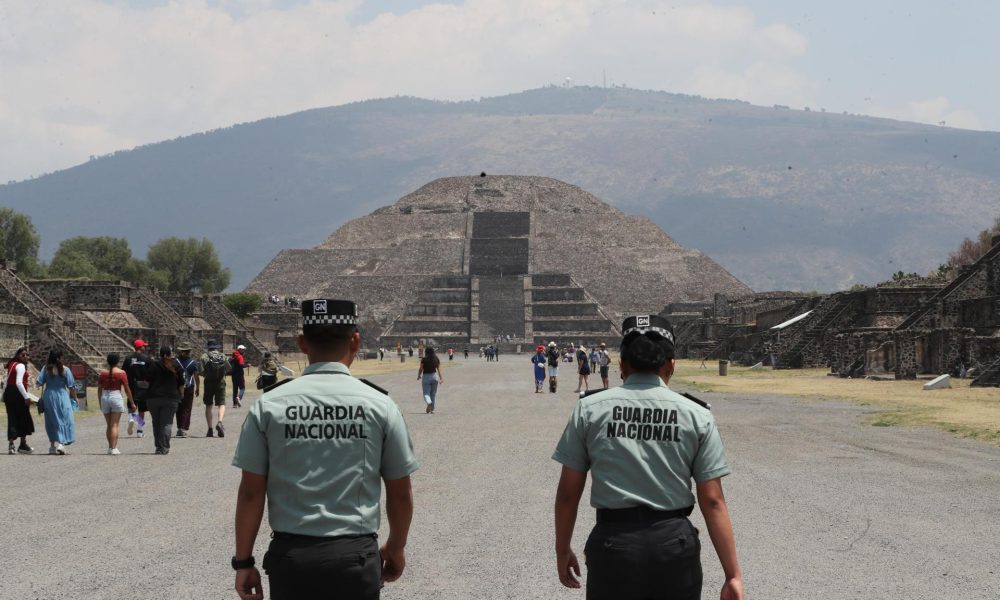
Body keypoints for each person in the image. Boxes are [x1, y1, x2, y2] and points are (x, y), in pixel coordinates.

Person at [232, 298, 418, 600]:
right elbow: (400, 491)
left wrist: (243, 562)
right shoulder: (380, 406)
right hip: (355, 558)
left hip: (291, 559)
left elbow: (251, 492)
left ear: (302, 343)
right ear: (355, 340)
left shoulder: (269, 405)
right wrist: (395, 547)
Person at [552, 314, 743, 600]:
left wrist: (562, 549)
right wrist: (733, 575)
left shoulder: (590, 409)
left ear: (621, 365)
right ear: (671, 364)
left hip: (613, 545)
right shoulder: (697, 414)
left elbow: (568, 493)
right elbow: (713, 500)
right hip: (674, 545)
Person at [36, 349, 77, 455]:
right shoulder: (65, 369)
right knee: (63, 418)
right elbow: (71, 386)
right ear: (59, 358)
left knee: (51, 420)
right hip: (62, 395)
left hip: (49, 395)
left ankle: (52, 446)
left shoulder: (46, 369)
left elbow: (39, 382)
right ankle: (61, 443)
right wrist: (75, 398)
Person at [145, 346, 184, 455]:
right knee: (166, 423)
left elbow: (147, 380)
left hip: (153, 398)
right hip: (170, 398)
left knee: (156, 423)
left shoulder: (154, 365)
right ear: (169, 354)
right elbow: (181, 383)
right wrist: (182, 395)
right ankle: (165, 447)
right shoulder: (176, 365)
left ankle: (158, 447)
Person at [98, 353, 135, 455]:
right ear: (118, 361)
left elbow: (99, 389)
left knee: (109, 425)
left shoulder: (103, 373)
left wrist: (99, 401)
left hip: (105, 396)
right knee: (114, 425)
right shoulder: (121, 373)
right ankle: (114, 448)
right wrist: (132, 402)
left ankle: (110, 447)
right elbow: (127, 389)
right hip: (116, 396)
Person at [4, 346, 35, 454]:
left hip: (9, 393)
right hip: (18, 394)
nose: (26, 356)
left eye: (27, 355)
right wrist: (26, 396)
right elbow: (18, 382)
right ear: (18, 356)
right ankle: (22, 444)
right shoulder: (21, 365)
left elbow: (7, 381)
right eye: (23, 355)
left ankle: (11, 445)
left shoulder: (11, 365)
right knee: (23, 417)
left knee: (12, 418)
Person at [200, 339, 232, 438]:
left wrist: (207, 375)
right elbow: (229, 368)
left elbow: (200, 371)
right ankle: (220, 422)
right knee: (221, 404)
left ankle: (210, 429)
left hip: (209, 382)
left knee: (209, 405)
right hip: (220, 382)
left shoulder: (204, 356)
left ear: (208, 347)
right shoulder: (222, 356)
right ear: (216, 347)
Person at [122, 339, 151, 438]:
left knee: (131, 407)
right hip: (143, 386)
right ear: (140, 347)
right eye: (144, 346)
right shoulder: (147, 359)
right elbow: (151, 373)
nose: (145, 347)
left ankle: (131, 418)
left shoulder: (128, 358)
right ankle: (140, 430)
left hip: (131, 386)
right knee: (142, 410)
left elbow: (123, 373)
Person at [174, 342, 200, 438]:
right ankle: (183, 428)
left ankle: (179, 427)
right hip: (189, 386)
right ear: (189, 352)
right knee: (187, 408)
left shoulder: (175, 362)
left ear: (181, 351)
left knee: (179, 408)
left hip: (177, 387)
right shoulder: (193, 363)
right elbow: (196, 376)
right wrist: (198, 387)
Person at [417, 347, 443, 414]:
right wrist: (441, 378)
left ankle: (429, 402)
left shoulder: (424, 359)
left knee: (426, 393)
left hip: (426, 376)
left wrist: (419, 375)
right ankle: (432, 409)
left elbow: (421, 369)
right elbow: (439, 370)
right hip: (434, 376)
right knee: (433, 394)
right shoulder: (436, 359)